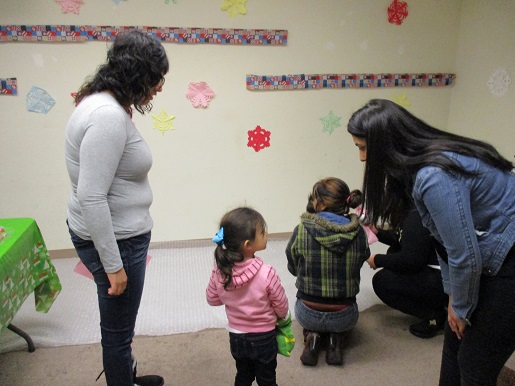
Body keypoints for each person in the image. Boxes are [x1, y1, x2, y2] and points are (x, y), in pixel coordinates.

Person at [347, 99, 515, 386]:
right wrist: (453, 298)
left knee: (474, 364)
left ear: (388, 144)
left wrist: (461, 307)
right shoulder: (416, 169)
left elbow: (463, 255)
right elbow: (444, 244)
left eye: (364, 149)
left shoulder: (434, 176)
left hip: (508, 260)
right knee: (454, 342)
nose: (362, 158)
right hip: (486, 255)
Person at [65, 30, 168, 386]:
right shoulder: (107, 116)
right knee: (117, 332)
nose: (159, 87)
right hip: (118, 243)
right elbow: (90, 197)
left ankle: (128, 374)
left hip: (117, 235)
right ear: (138, 75)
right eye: (156, 79)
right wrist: (114, 267)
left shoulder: (101, 103)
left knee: (119, 328)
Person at [349, 129, 448, 339]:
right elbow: (403, 240)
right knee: (395, 248)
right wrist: (378, 232)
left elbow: (411, 260)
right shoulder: (410, 210)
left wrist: (378, 259)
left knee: (382, 281)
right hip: (431, 265)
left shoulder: (416, 213)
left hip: (441, 278)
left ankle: (436, 315)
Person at [286, 177, 370, 366]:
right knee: (341, 322)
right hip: (345, 315)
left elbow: (292, 266)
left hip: (307, 312)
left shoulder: (301, 230)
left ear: (321, 203)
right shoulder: (359, 233)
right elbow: (361, 261)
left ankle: (312, 335)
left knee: (308, 313)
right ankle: (335, 339)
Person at [206, 207, 291, 386]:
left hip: (236, 336)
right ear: (248, 245)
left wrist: (231, 297)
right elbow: (281, 305)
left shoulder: (220, 272)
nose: (267, 234)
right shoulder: (266, 273)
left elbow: (212, 299)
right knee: (266, 377)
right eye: (262, 232)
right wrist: (282, 316)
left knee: (243, 375)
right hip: (264, 337)